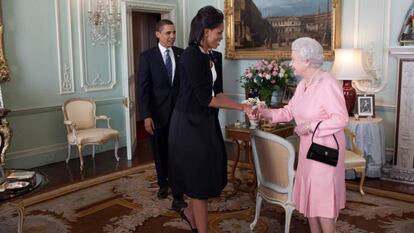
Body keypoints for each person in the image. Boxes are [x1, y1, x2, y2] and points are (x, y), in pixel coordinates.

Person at [168, 6, 252, 233]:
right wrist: (241, 106)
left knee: (205, 175)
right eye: (219, 33)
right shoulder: (190, 56)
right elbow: (207, 99)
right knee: (198, 183)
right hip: (189, 124)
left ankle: (188, 213)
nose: (221, 38)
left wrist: (243, 104)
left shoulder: (214, 56)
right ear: (205, 31)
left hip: (205, 123)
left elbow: (218, 93)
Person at [256, 37, 349, 233]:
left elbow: (341, 119)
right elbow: (289, 111)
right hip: (308, 150)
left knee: (322, 203)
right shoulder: (303, 84)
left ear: (307, 61)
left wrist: (310, 127)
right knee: (311, 201)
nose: (291, 63)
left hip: (325, 151)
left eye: (294, 59)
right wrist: (265, 112)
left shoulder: (327, 83)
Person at [137, 19, 186, 211]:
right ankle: (162, 184)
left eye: (174, 32)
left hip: (180, 115)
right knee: (160, 153)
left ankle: (178, 193)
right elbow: (143, 89)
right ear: (157, 34)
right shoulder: (147, 57)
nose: (172, 36)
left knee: (178, 153)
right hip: (156, 116)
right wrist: (146, 115)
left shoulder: (182, 54)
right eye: (168, 33)